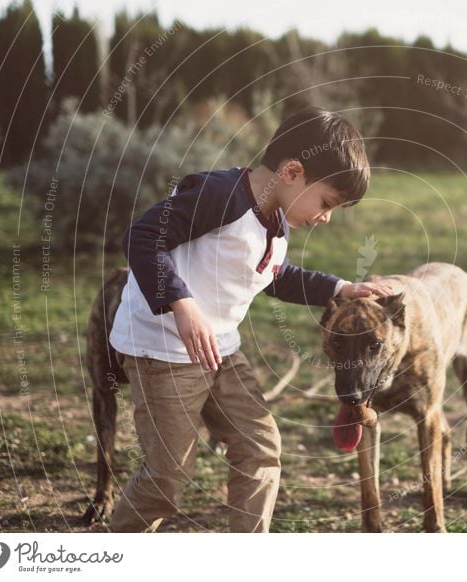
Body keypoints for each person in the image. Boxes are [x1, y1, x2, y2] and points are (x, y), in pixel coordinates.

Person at [108, 106, 392, 532]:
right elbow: (142, 237)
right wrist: (182, 305)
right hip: (164, 350)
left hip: (221, 349)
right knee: (168, 480)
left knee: (260, 449)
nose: (326, 217)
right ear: (292, 171)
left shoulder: (277, 218)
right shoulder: (220, 195)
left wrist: (338, 288)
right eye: (327, 202)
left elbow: (272, 276)